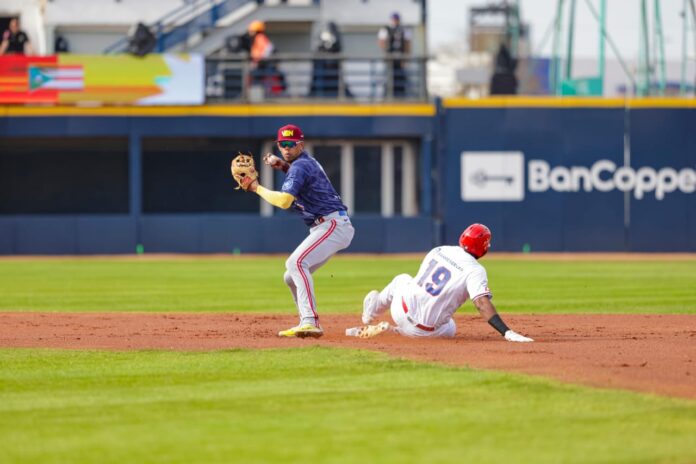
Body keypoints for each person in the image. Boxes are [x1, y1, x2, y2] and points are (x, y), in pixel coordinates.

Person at [239, 124, 354, 338]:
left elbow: (284, 201)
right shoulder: (304, 163)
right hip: (327, 225)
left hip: (332, 225)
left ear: (301, 144)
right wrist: (281, 164)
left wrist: (256, 188)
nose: (286, 148)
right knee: (290, 277)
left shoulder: (300, 166)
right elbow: (299, 174)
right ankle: (305, 321)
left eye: (291, 144)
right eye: (282, 144)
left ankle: (310, 321)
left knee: (296, 263)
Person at [360, 223, 533, 342]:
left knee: (402, 279)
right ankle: (396, 332)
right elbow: (481, 303)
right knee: (450, 326)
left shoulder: (439, 250)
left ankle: (371, 314)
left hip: (399, 310)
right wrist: (506, 332)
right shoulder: (475, 270)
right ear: (484, 247)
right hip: (426, 333)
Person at [377, 12, 411, 98]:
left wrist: (406, 58)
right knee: (388, 78)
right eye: (394, 19)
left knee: (400, 78)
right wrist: (386, 53)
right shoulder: (386, 29)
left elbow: (407, 44)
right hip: (390, 58)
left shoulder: (404, 29)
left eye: (396, 19)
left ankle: (401, 96)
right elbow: (382, 42)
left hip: (400, 58)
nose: (395, 21)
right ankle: (387, 96)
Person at [247, 20, 285, 95]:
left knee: (257, 81)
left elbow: (268, 49)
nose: (250, 33)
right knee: (257, 81)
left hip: (262, 64)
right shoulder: (258, 38)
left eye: (251, 31)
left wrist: (260, 60)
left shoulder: (259, 37)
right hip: (260, 64)